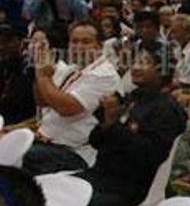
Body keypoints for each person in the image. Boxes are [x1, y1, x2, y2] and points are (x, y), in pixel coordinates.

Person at [75, 41, 187, 206]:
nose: (134, 67)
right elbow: (95, 142)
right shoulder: (133, 97)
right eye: (134, 62)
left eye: (143, 63)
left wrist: (114, 124)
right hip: (100, 174)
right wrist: (106, 122)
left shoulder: (167, 109)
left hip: (128, 187)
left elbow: (148, 156)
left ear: (161, 69)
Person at [22, 20, 120, 174]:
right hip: (46, 141)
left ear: (99, 46)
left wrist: (44, 77)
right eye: (74, 41)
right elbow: (43, 102)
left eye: (86, 42)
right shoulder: (72, 69)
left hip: (72, 153)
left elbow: (66, 108)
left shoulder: (104, 74)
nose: (78, 46)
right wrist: (39, 69)